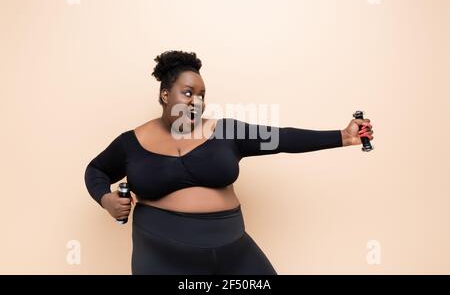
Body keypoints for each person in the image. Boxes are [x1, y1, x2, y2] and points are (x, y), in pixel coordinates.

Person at [84, 50, 374, 275]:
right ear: (164, 94)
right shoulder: (131, 142)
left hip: (231, 246)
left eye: (202, 95)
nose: (196, 102)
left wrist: (344, 136)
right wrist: (106, 199)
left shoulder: (225, 131)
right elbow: (96, 170)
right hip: (162, 252)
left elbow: (282, 138)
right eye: (188, 93)